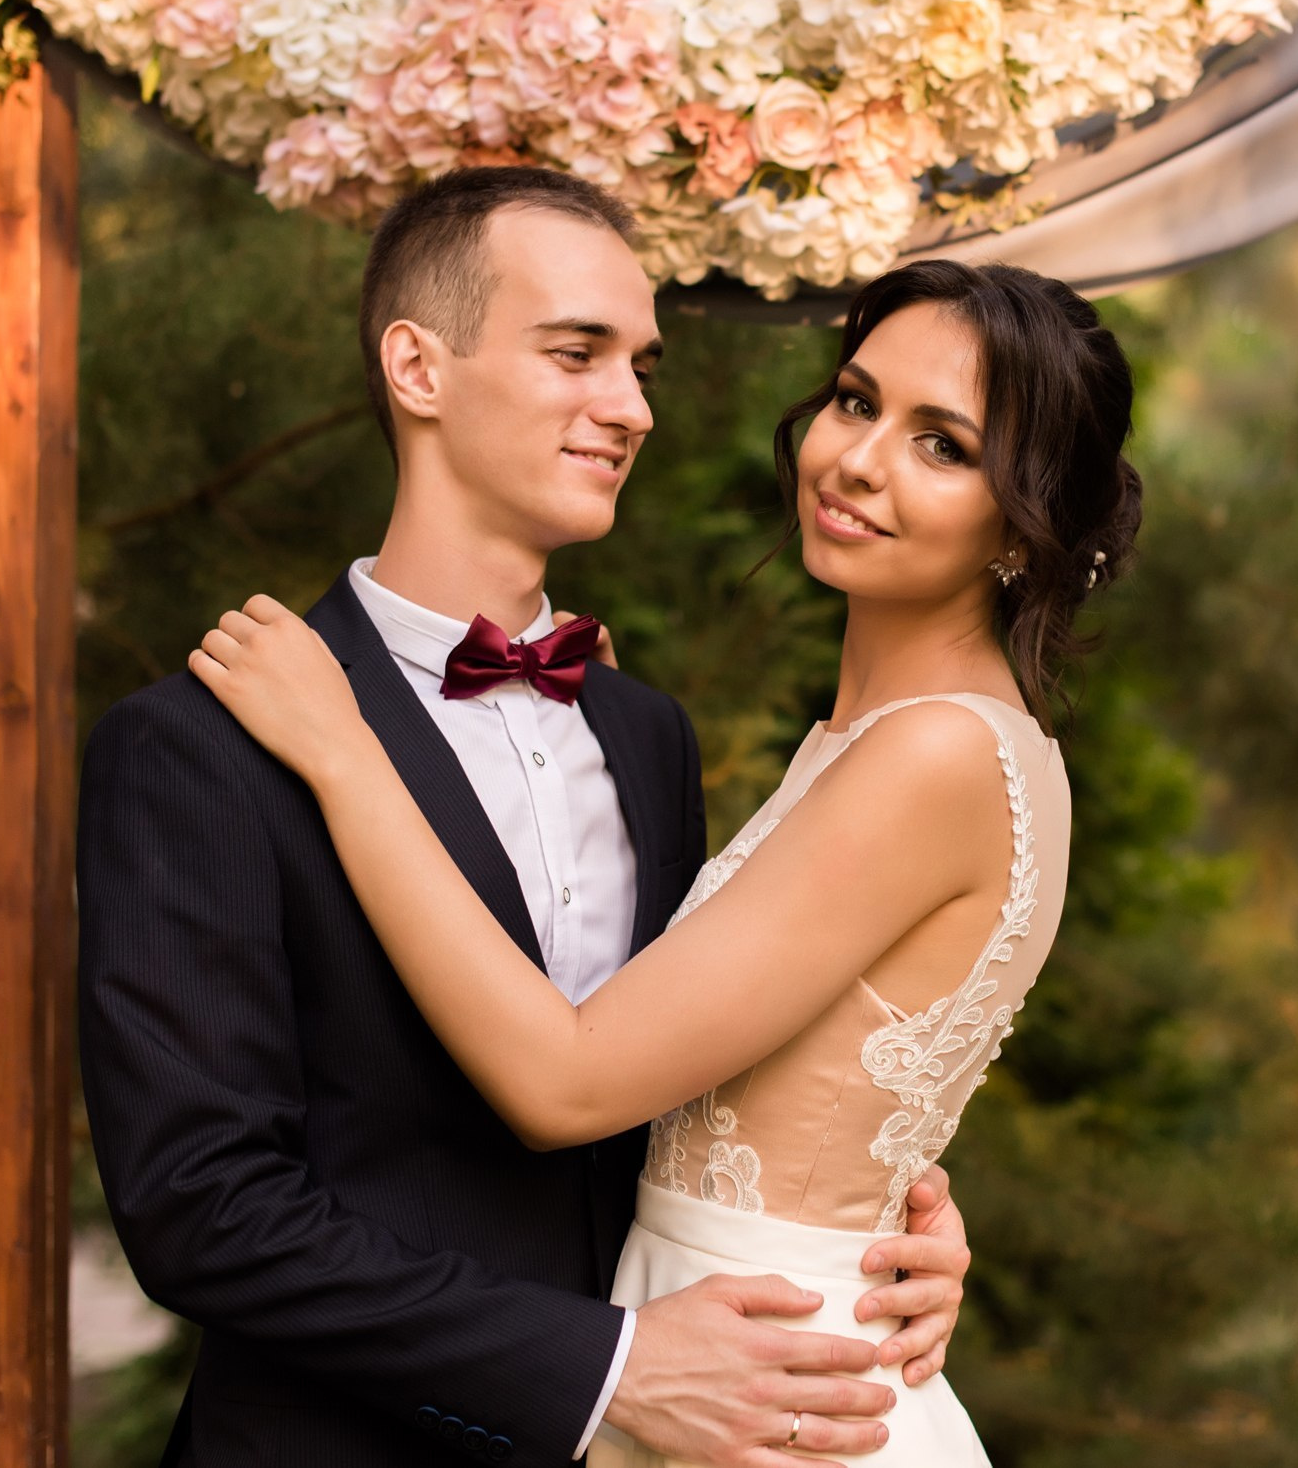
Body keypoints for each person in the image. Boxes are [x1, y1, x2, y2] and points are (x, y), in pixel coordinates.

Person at [75, 169, 980, 1468]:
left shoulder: (645, 734)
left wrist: (879, 1228)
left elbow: (693, 1081)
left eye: (642, 366)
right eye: (578, 354)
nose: (630, 407)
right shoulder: (195, 748)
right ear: (417, 367)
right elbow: (206, 1214)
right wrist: (605, 1370)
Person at [187, 253, 1144, 1466]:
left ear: (1029, 517)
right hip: (732, 1349)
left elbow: (570, 1083)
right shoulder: (849, 741)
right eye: (856, 401)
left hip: (771, 1394)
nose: (857, 460)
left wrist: (344, 751)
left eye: (943, 445)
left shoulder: (940, 756)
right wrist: (882, 1210)